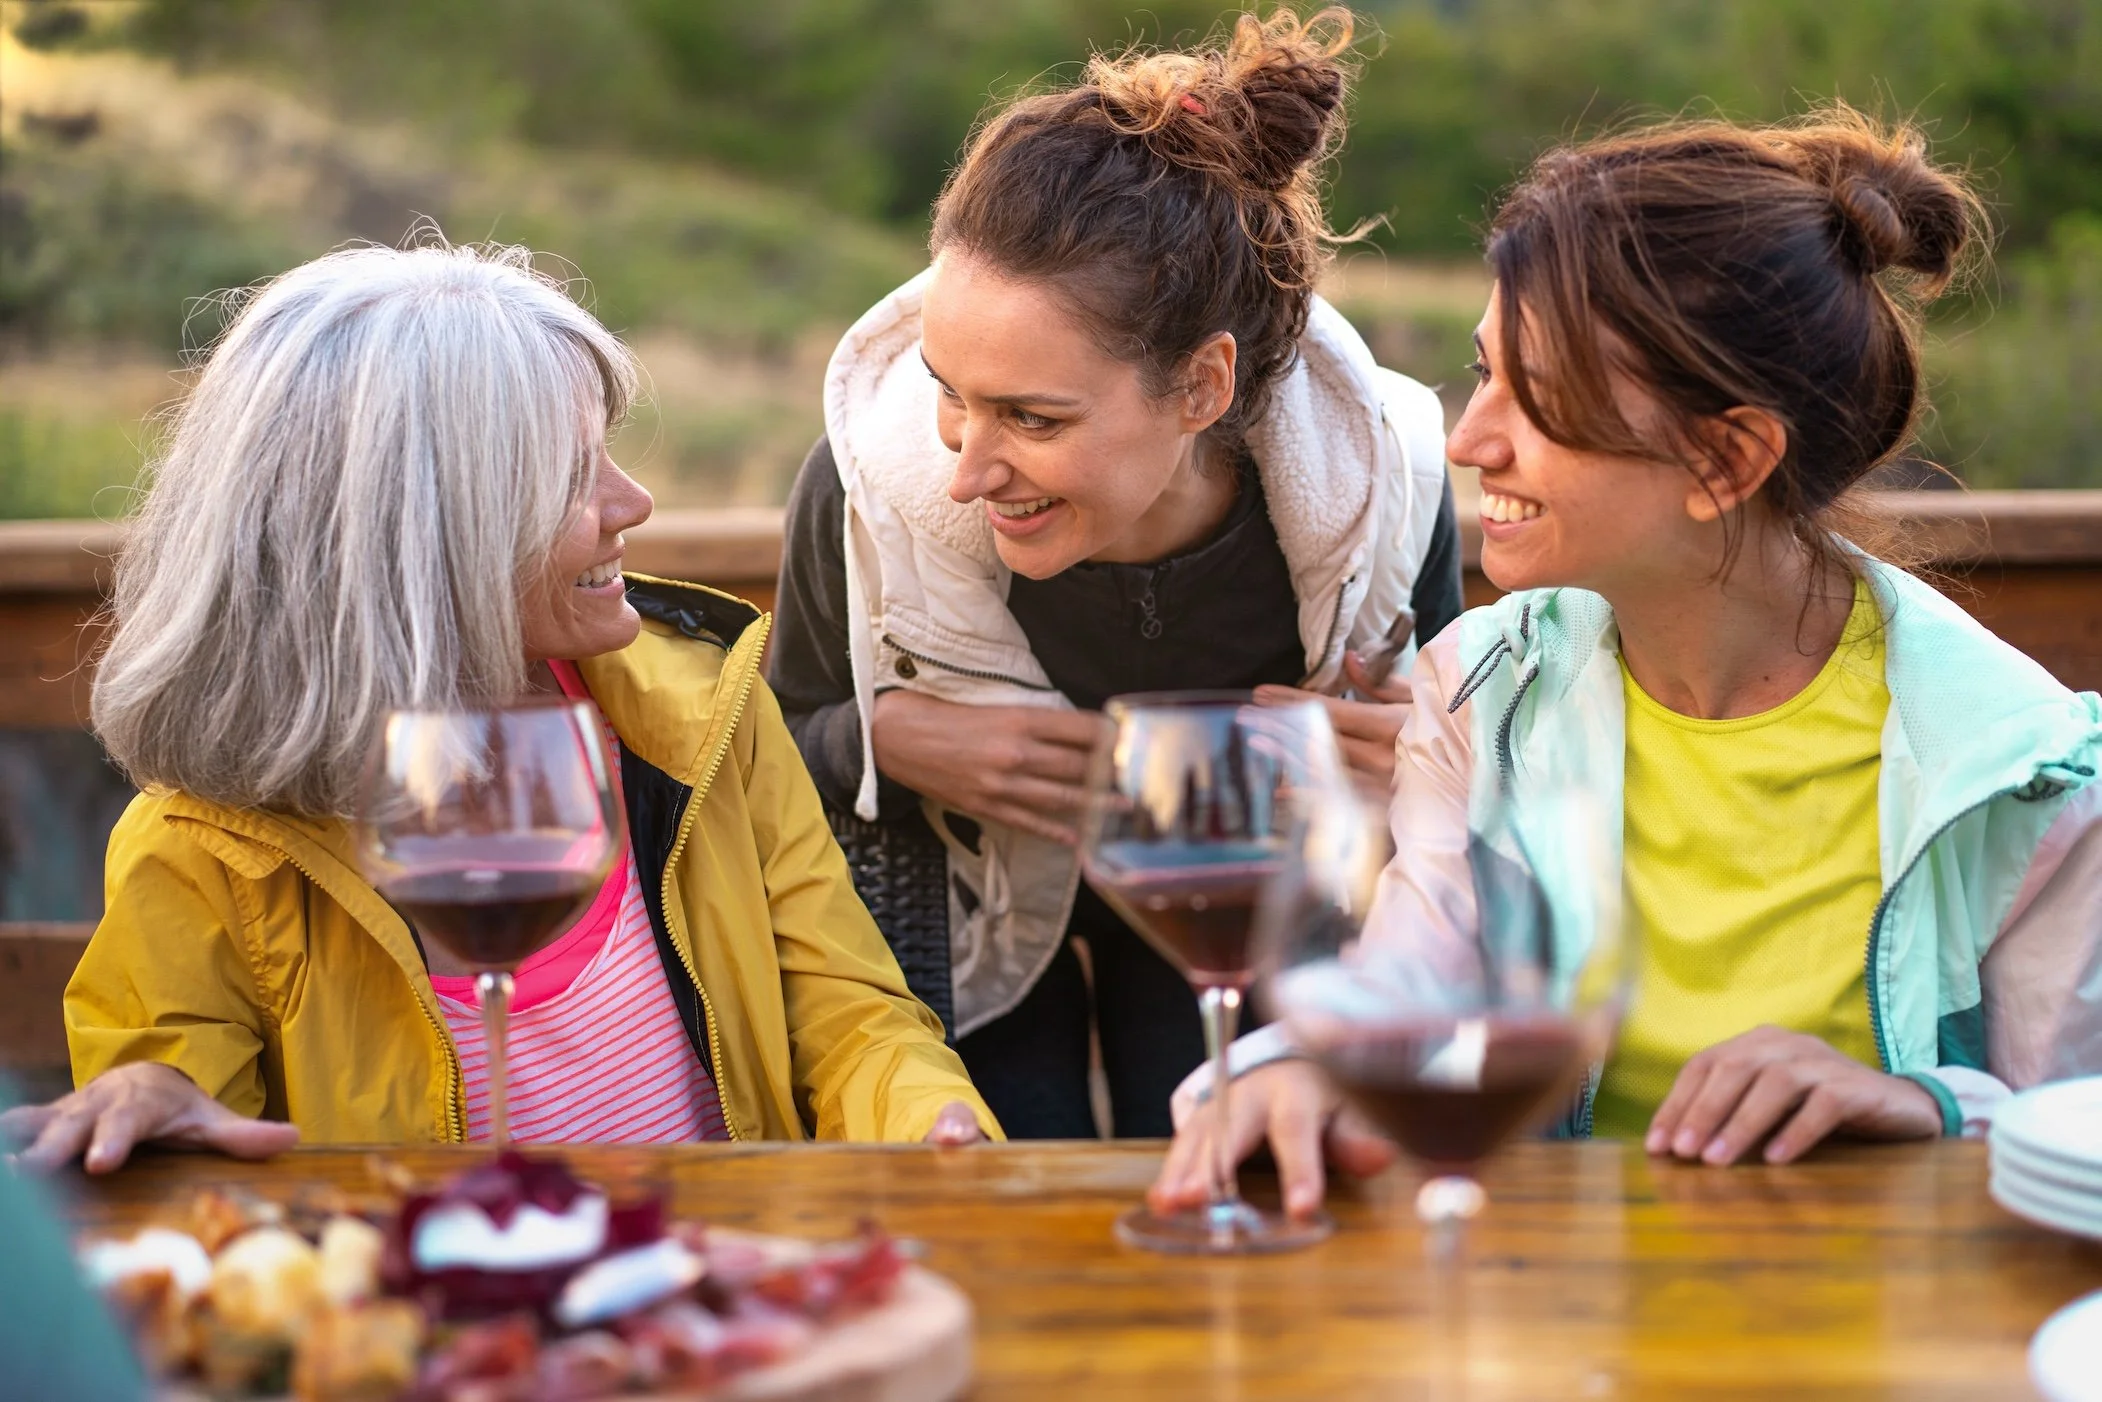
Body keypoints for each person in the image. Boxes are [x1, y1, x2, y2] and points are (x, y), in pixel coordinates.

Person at [1151, 104, 2102, 1217]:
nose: (1467, 438)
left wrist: (1926, 1102)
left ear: (1725, 458)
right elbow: (1409, 992)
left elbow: (2072, 1126)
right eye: (1480, 371)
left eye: (1539, 398)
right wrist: (1293, 1068)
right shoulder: (1481, 687)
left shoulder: (2020, 774)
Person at [1, 240, 996, 1174]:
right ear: (419, 537)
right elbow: (184, 1118)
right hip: (434, 1338)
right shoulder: (199, 848)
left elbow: (847, 1014)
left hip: (711, 1300)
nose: (634, 500)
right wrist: (152, 1095)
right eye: (572, 475)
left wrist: (929, 1120)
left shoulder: (704, 715)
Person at [767, 8, 1463, 1139]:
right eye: (950, 390)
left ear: (1199, 387)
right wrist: (873, 741)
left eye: (1032, 418)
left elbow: (1442, 824)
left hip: (1244, 934)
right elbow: (760, 752)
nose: (963, 469)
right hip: (957, 945)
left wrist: (1411, 774)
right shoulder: (860, 485)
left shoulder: (1384, 486)